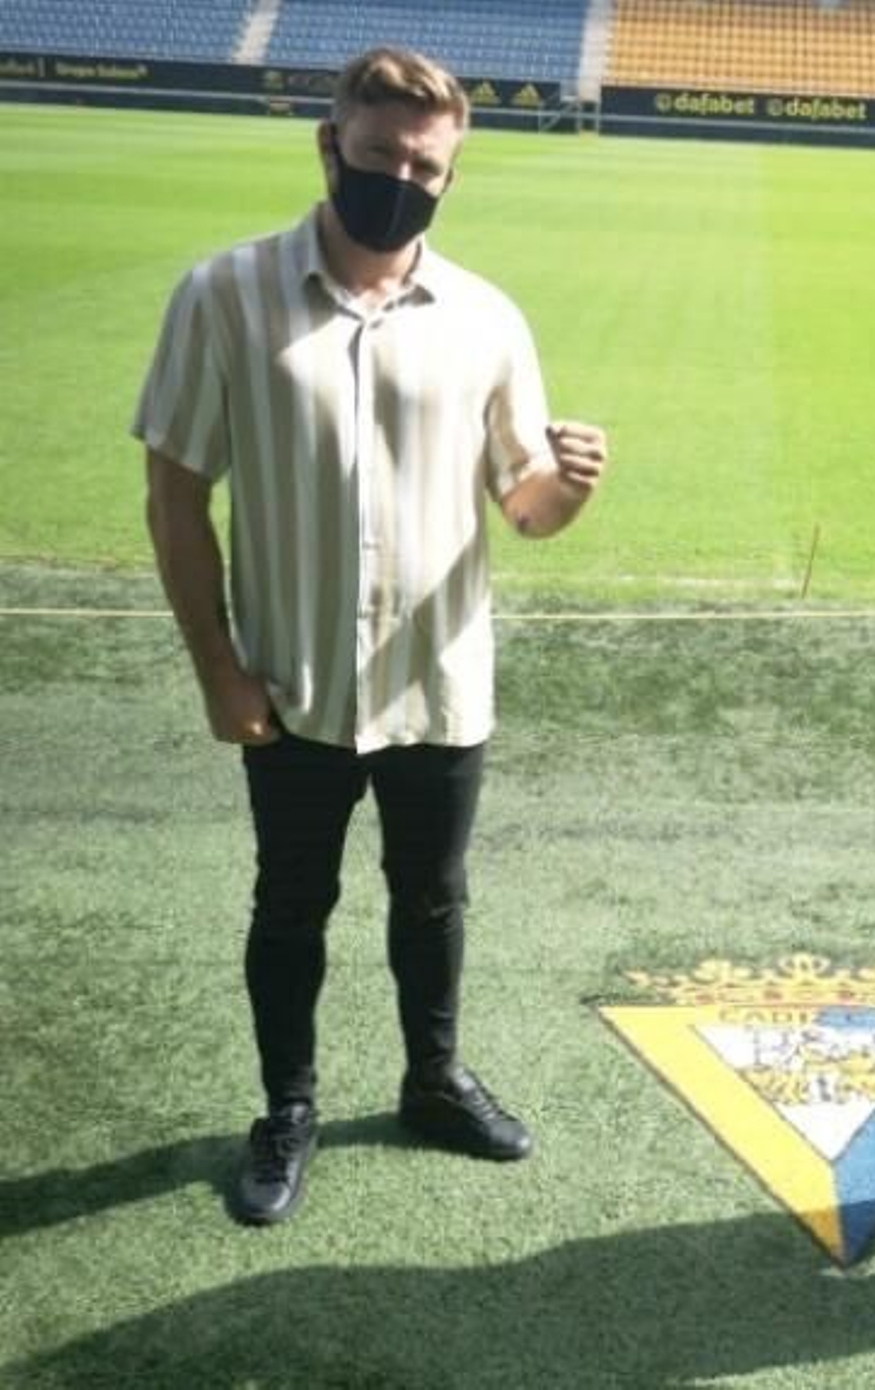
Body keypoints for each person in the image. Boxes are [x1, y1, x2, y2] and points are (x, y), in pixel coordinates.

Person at [135, 47, 608, 1226]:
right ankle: (287, 1108)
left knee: (433, 902)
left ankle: (432, 1082)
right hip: (288, 689)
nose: (401, 177)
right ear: (329, 144)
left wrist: (575, 489)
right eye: (380, 152)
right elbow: (174, 493)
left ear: (451, 173)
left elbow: (527, 508)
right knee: (289, 907)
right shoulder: (225, 293)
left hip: (437, 689)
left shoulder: (487, 318)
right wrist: (219, 671)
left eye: (425, 164)